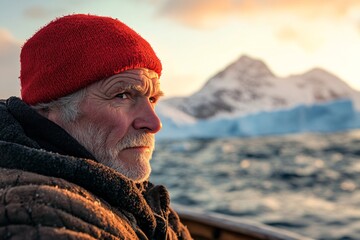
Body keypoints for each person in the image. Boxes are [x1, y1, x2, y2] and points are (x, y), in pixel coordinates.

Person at [0, 14, 192, 239]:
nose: (154, 123)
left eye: (152, 99)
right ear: (49, 110)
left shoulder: (134, 194)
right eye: (122, 95)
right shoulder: (38, 212)